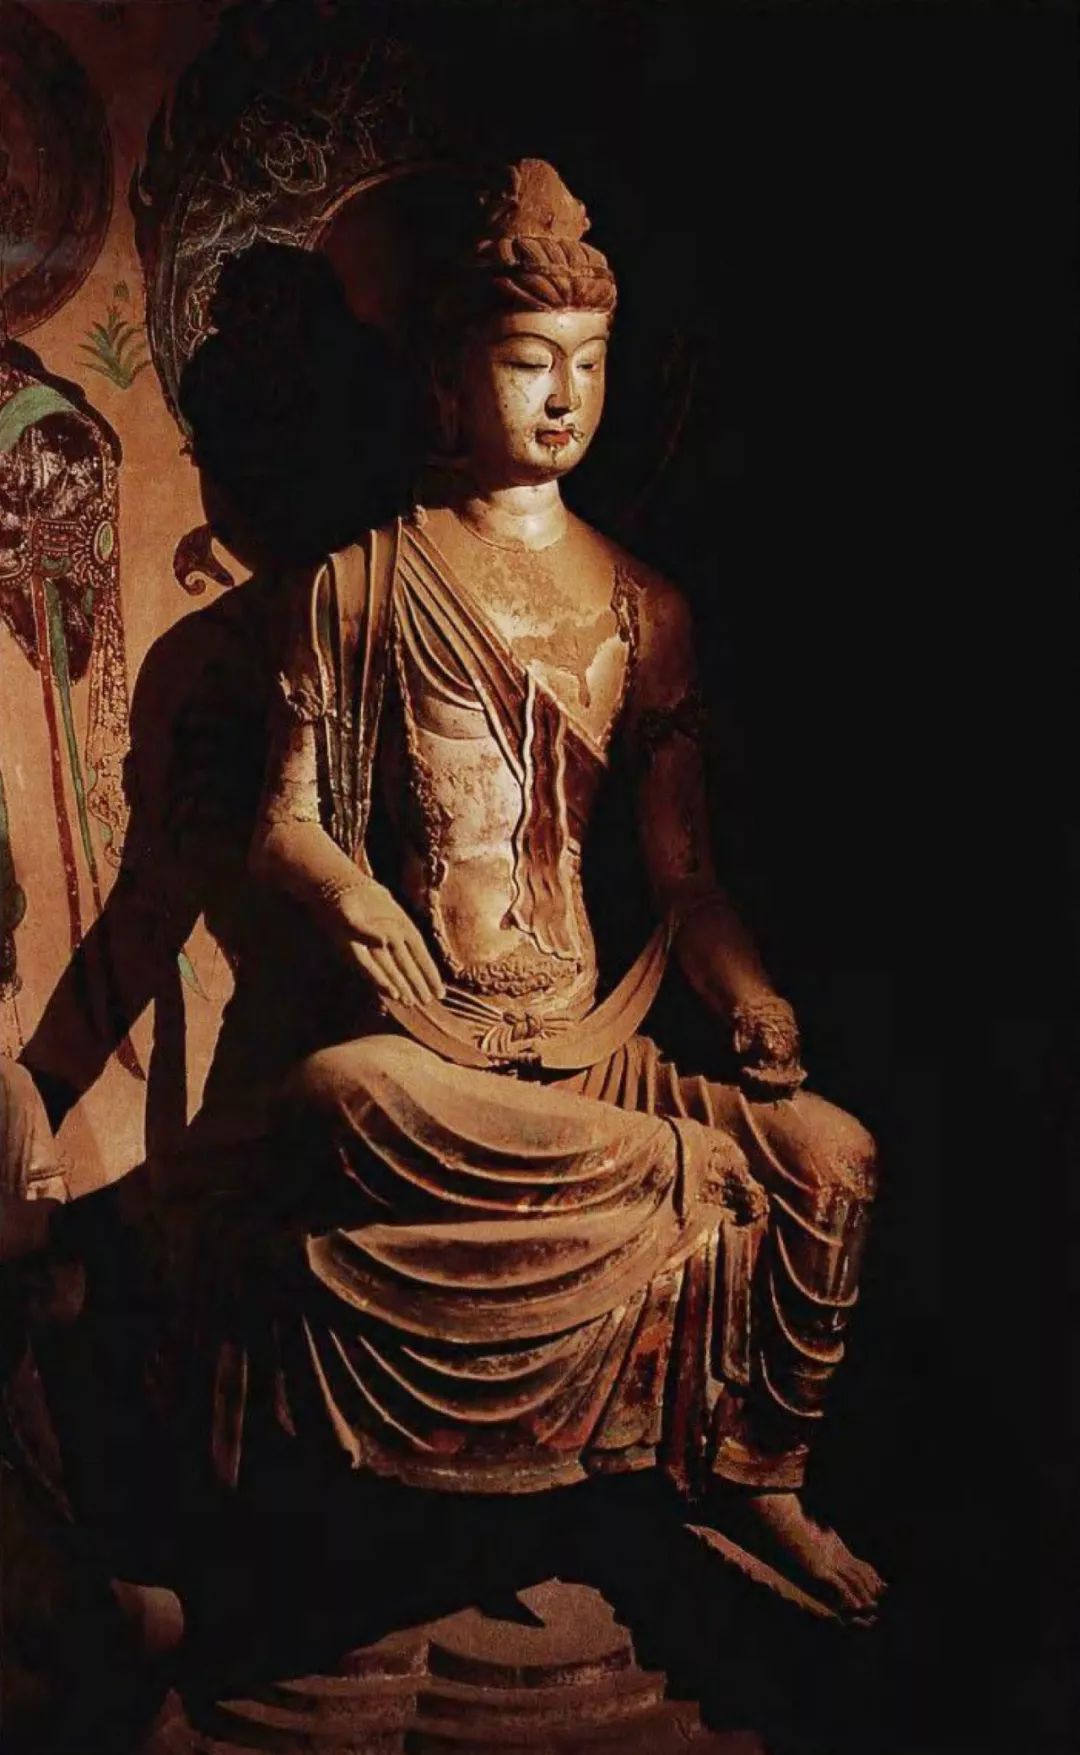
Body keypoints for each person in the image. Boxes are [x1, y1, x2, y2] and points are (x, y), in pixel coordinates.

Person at [201, 159, 884, 1620]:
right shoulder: (357, 587)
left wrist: (751, 998)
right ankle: (662, 1183)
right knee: (339, 1101)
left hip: (590, 1050)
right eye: (528, 361)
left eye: (589, 361)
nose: (565, 397)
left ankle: (762, 1472)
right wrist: (348, 896)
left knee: (832, 1157)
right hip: (426, 1057)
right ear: (449, 380)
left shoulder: (645, 605)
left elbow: (685, 880)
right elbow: (281, 829)